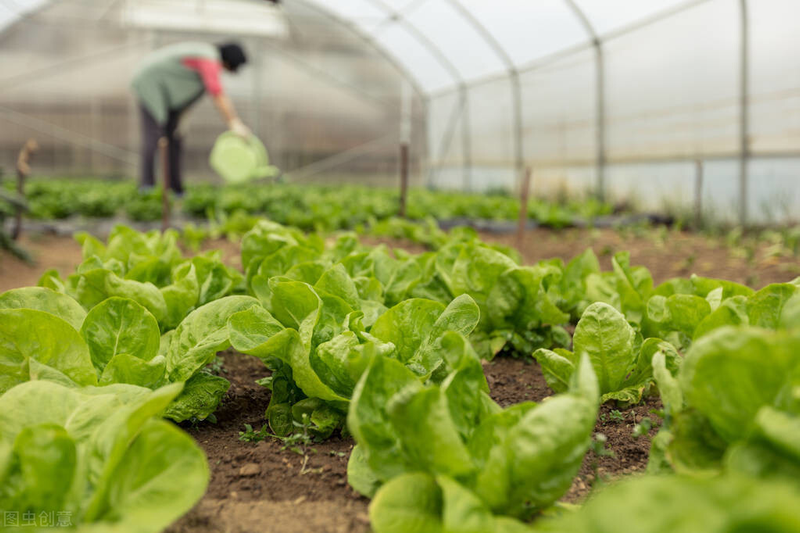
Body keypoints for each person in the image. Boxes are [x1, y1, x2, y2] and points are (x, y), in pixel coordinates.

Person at [131, 41, 252, 195]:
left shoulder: (205, 55)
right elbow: (216, 92)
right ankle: (146, 187)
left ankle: (175, 189)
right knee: (154, 138)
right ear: (229, 62)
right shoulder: (208, 58)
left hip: (167, 96)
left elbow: (186, 94)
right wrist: (234, 122)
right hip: (150, 86)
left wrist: (181, 120)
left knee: (175, 140)